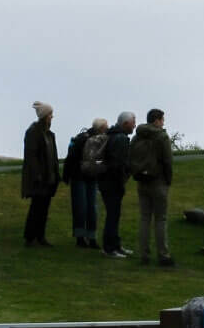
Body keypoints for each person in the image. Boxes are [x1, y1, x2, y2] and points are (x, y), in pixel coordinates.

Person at [130, 108, 175, 267]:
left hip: (142, 181)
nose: (163, 123)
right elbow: (168, 160)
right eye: (162, 120)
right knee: (160, 219)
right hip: (158, 180)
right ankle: (163, 255)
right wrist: (168, 179)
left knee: (144, 218)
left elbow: (131, 156)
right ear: (157, 120)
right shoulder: (161, 136)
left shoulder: (137, 136)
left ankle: (144, 255)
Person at [62, 118, 107, 249]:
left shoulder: (85, 138)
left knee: (85, 207)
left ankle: (83, 237)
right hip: (82, 176)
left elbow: (71, 158)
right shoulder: (90, 140)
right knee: (87, 207)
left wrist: (66, 175)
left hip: (84, 176)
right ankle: (87, 238)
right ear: (101, 128)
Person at [97, 111, 135, 258]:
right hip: (113, 183)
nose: (134, 125)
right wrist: (123, 179)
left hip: (106, 182)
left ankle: (115, 245)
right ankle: (109, 248)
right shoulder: (120, 139)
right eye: (133, 122)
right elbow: (118, 164)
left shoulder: (111, 135)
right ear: (125, 124)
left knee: (114, 214)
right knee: (113, 215)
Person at [22, 101, 59, 247]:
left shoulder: (49, 134)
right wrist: (37, 175)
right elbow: (31, 156)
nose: (52, 117)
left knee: (44, 209)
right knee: (36, 208)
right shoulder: (33, 132)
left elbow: (53, 156)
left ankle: (40, 236)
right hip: (39, 179)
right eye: (50, 114)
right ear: (44, 116)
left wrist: (55, 175)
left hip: (48, 178)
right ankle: (30, 237)